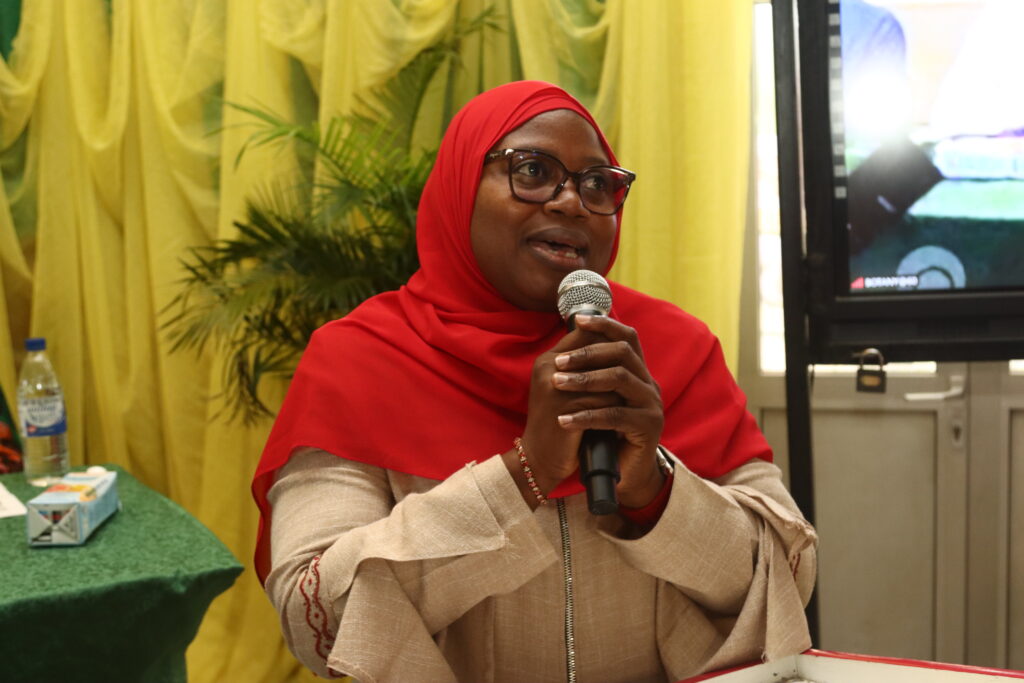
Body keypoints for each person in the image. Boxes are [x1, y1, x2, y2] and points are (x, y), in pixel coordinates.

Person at [251, 80, 816, 683]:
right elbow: (317, 621)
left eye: (597, 184)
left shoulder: (675, 349)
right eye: (533, 171)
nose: (572, 203)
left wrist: (653, 488)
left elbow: (784, 574)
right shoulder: (360, 359)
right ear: (461, 189)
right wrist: (525, 473)